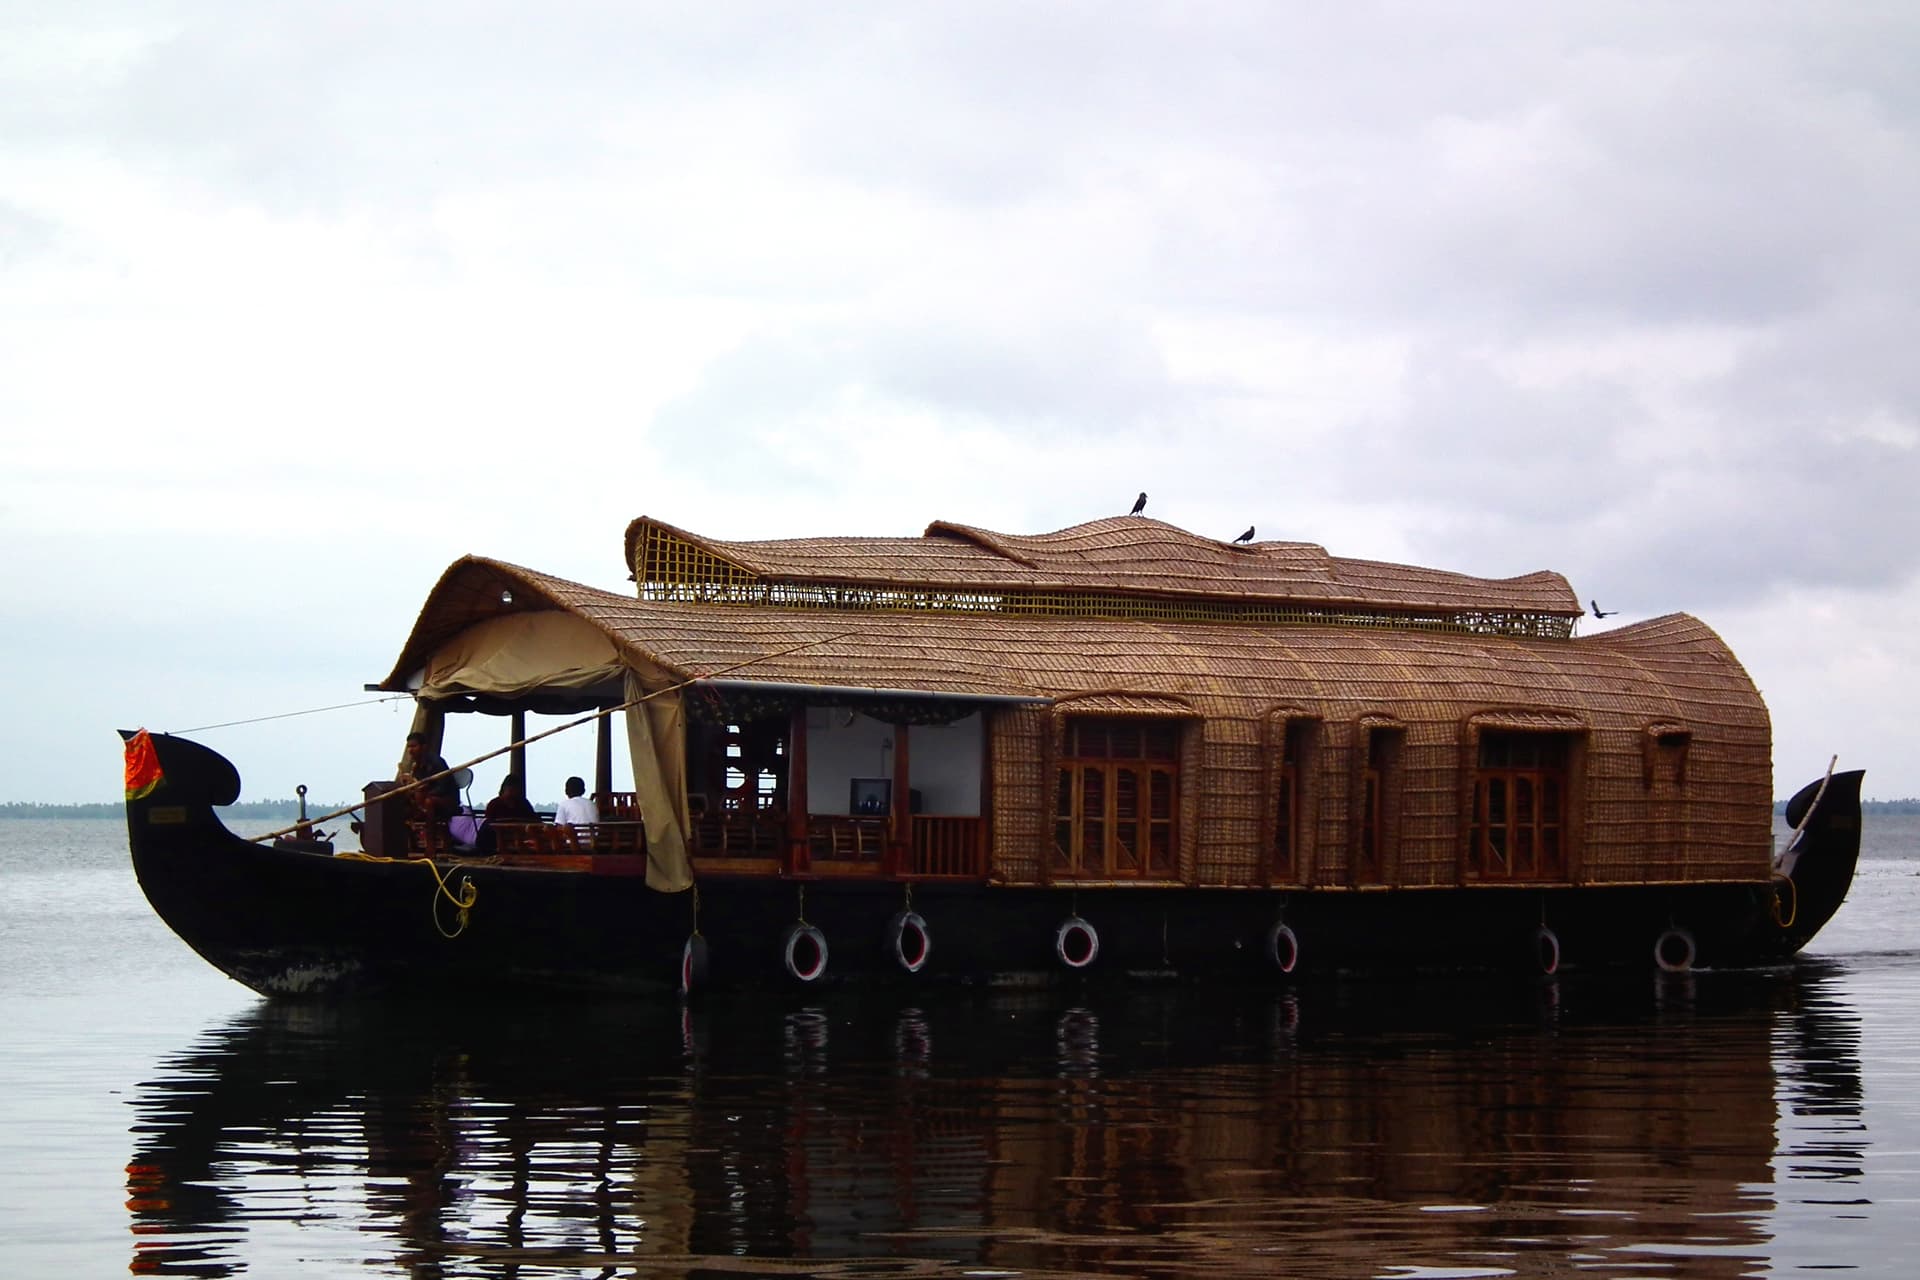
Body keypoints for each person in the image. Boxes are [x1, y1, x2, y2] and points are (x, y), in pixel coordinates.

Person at [398, 732, 459, 822]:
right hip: (424, 797)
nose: (410, 750)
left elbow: (443, 787)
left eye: (414, 746)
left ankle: (430, 834)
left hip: (446, 800)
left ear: (423, 747)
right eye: (408, 747)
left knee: (428, 802)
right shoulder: (416, 766)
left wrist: (423, 791)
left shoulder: (437, 762)